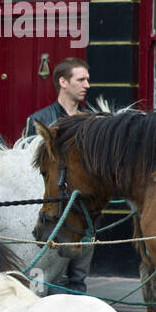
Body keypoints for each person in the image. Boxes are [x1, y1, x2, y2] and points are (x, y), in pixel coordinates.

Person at [25, 57, 95, 293]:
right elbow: (29, 167)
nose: (87, 85)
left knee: (78, 279)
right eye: (81, 79)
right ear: (63, 82)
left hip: (83, 210)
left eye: (87, 79)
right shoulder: (39, 121)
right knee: (50, 275)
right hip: (53, 209)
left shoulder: (93, 122)